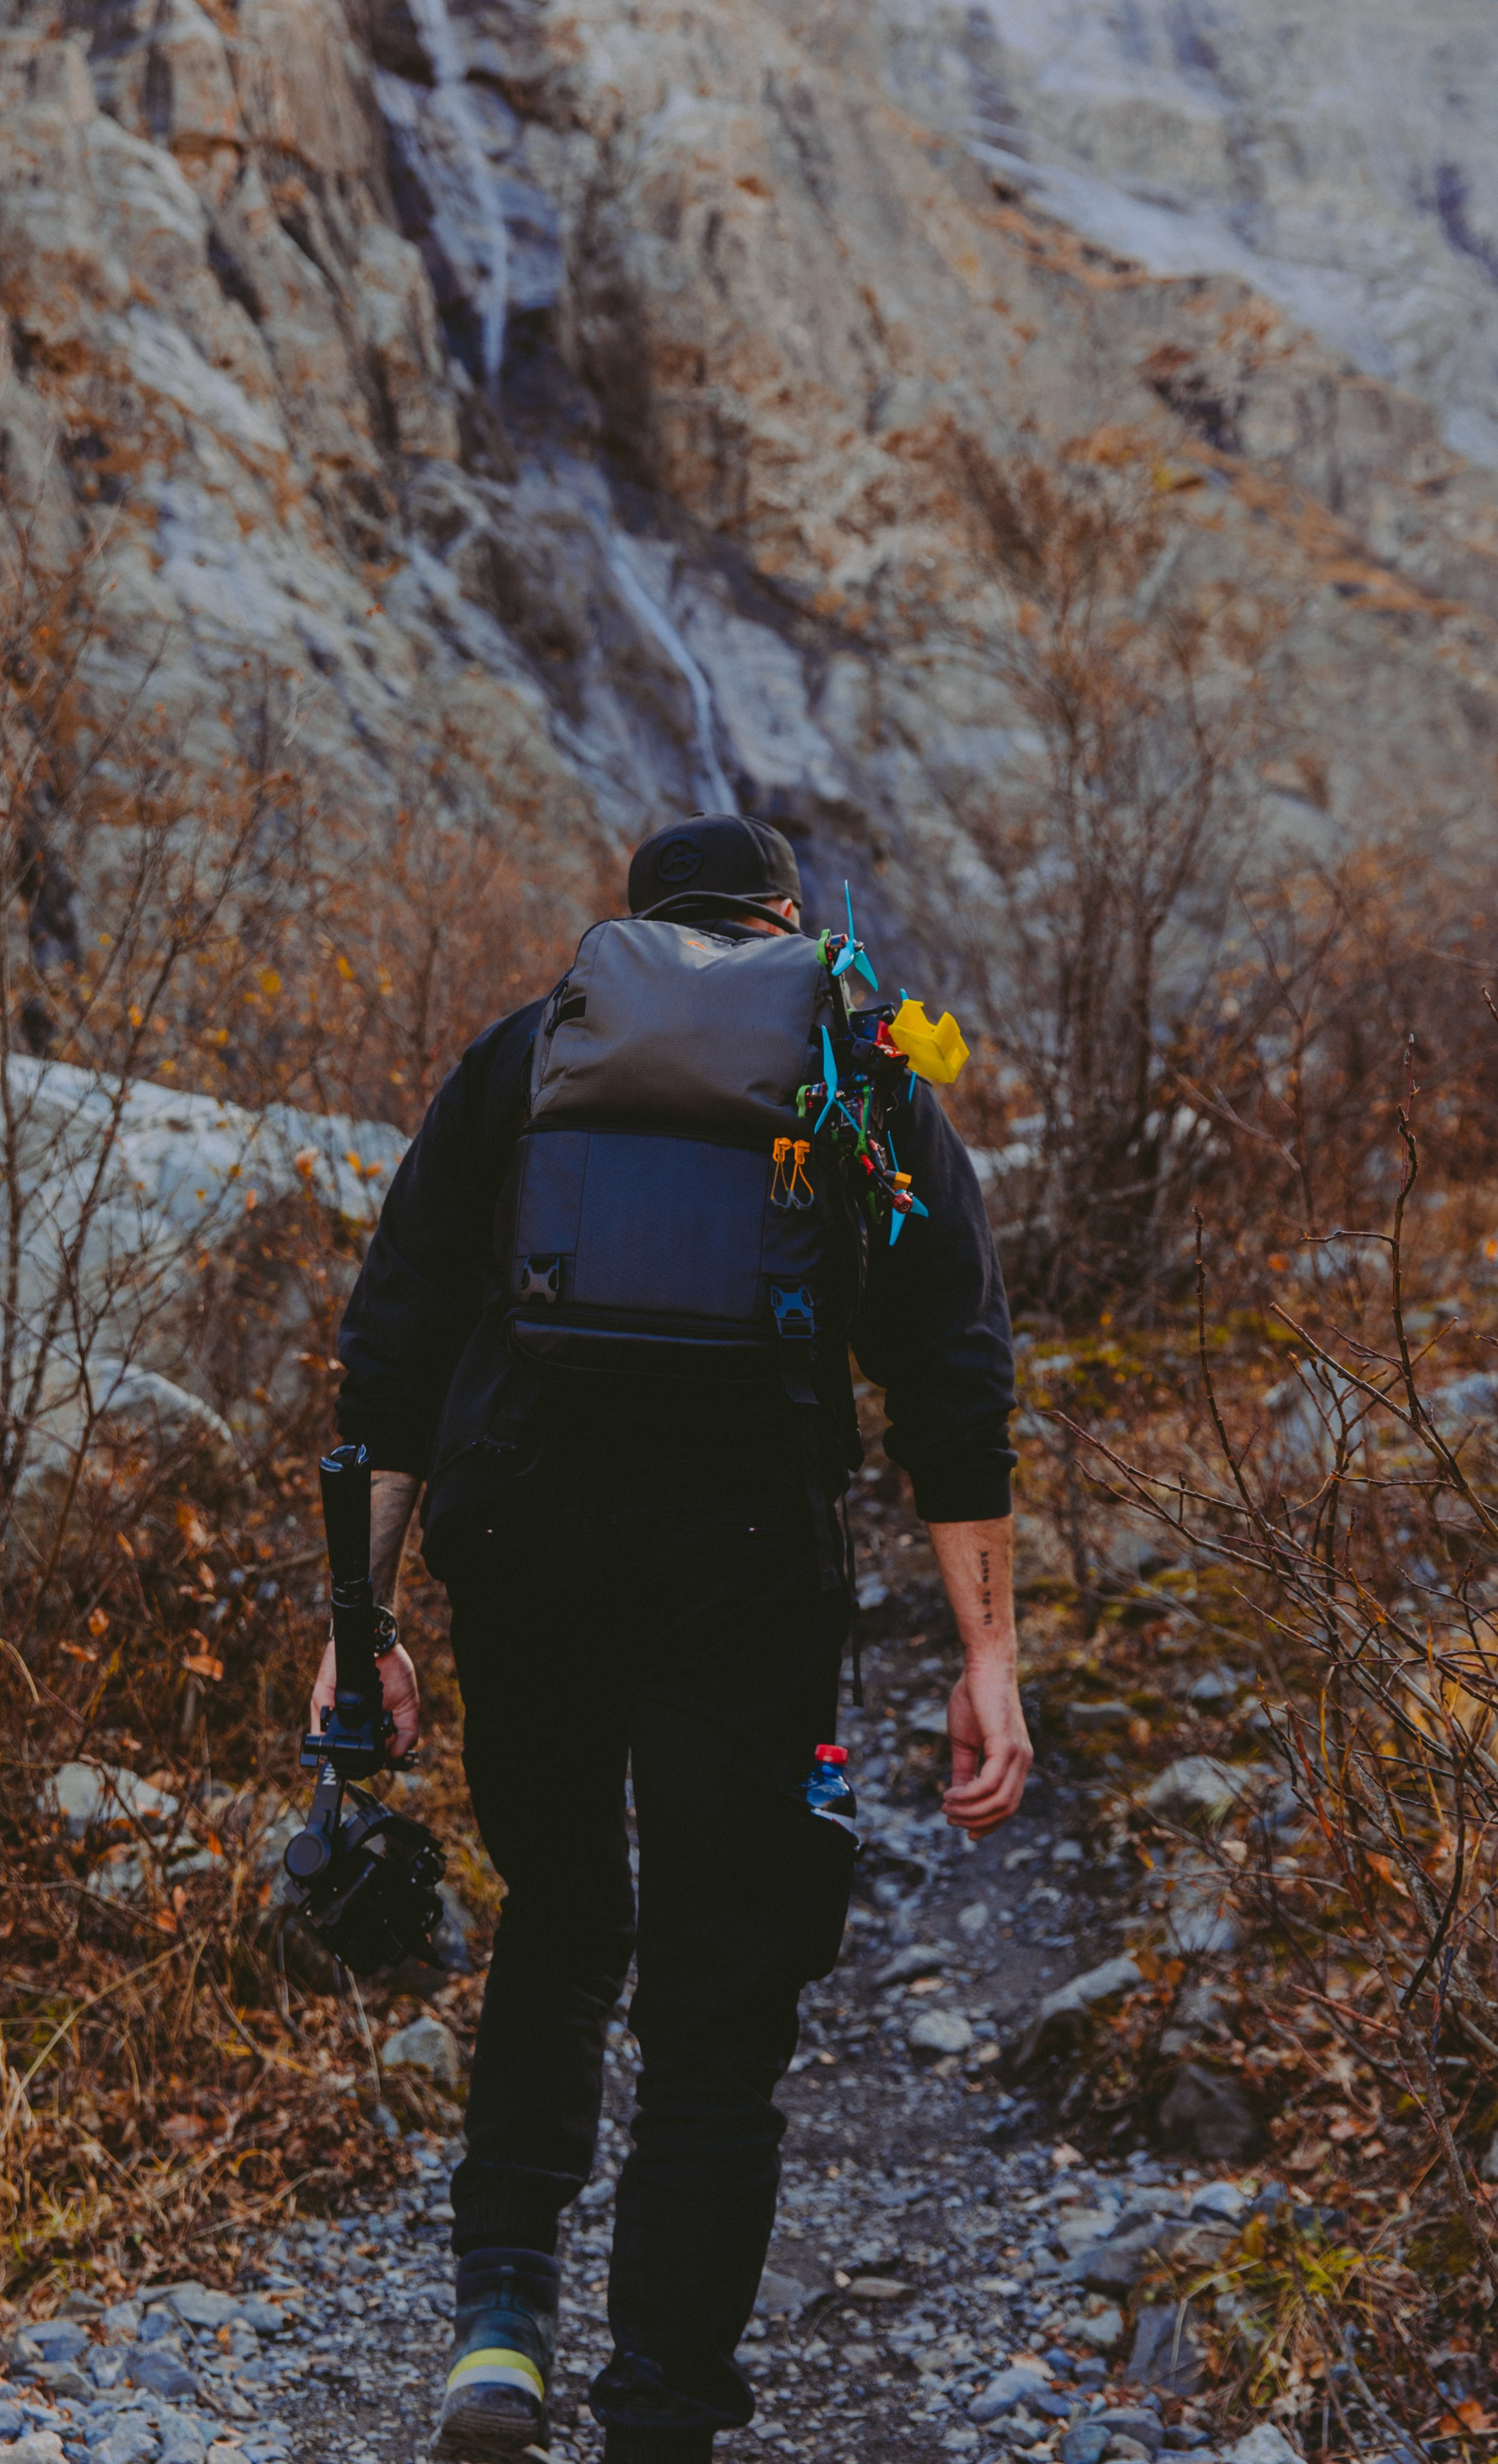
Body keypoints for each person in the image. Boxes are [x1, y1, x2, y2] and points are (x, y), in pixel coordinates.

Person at [311, 814, 1030, 2464]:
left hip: (522, 1546)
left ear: (632, 932)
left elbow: (394, 1348)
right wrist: (986, 1655)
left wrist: (360, 1631)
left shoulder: (526, 1057)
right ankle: (662, 2415)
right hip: (744, 1563)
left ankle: (500, 2326)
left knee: (564, 1915)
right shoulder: (856, 1076)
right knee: (719, 1990)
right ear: (783, 926)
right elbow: (953, 1377)